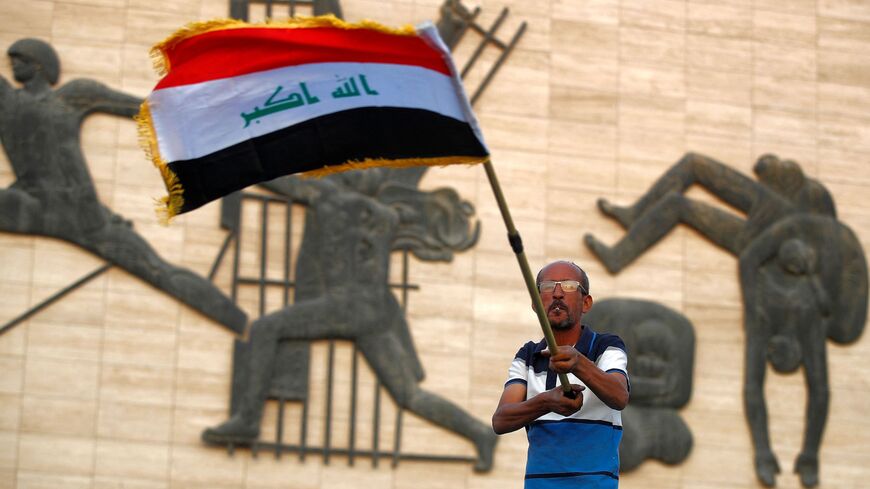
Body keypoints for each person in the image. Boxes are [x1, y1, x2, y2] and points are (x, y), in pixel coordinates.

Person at [203, 171, 497, 471]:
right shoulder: (386, 215)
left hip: (344, 307)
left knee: (266, 328)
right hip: (377, 312)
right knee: (409, 394)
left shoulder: (329, 197)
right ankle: (480, 432)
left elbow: (276, 180)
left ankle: (248, 420)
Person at [0, 38, 246, 333]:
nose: (13, 63)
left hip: (83, 213)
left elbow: (140, 108)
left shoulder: (73, 95)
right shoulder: (8, 102)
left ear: (39, 66)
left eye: (20, 59)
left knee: (156, 270)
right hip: (32, 201)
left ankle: (239, 321)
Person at [492, 260, 630, 488]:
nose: (557, 293)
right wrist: (546, 402)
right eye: (547, 287)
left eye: (568, 285)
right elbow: (501, 420)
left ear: (586, 303)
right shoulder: (528, 355)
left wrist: (578, 364)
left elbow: (619, 396)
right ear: (536, 305)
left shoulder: (606, 346)